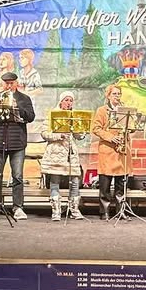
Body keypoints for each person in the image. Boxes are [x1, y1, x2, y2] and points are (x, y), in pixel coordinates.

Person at [0, 72, 35, 221]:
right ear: (3, 84)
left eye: (11, 83)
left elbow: (31, 116)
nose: (9, 86)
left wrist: (17, 107)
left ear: (16, 83)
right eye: (6, 83)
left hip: (17, 142)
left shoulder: (24, 98)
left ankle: (18, 207)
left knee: (17, 176)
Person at [40, 91, 86, 221]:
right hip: (56, 151)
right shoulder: (52, 114)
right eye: (66, 100)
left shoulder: (74, 116)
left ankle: (74, 209)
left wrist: (80, 131)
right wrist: (58, 135)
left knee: (75, 181)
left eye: (71, 100)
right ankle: (56, 210)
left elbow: (79, 136)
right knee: (55, 180)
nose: (69, 103)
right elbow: (44, 133)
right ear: (61, 101)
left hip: (70, 153)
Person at [91, 84, 131, 220]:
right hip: (108, 150)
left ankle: (120, 211)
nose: (117, 96)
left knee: (121, 184)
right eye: (114, 94)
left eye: (119, 94)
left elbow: (132, 126)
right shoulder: (102, 110)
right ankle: (105, 212)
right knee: (105, 185)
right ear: (108, 96)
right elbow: (96, 128)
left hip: (121, 151)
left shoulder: (125, 110)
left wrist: (131, 127)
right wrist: (111, 137)